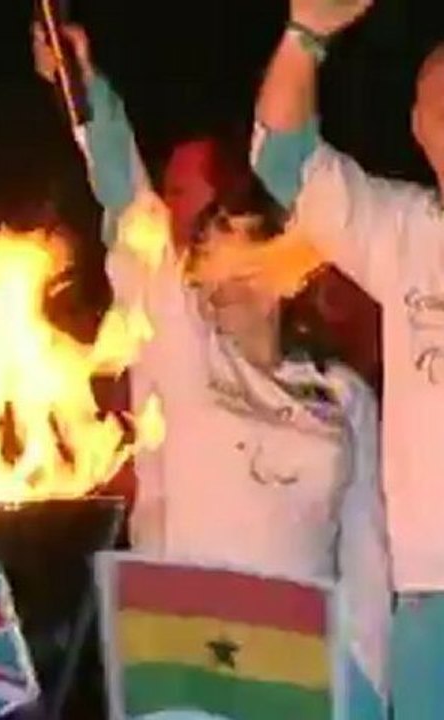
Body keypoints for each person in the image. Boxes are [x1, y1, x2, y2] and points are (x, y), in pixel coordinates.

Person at [34, 23, 391, 717]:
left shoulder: (342, 395)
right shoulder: (185, 363)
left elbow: (368, 561)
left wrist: (369, 693)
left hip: (302, 674)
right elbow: (130, 208)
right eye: (204, 264)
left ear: (285, 269)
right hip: (189, 667)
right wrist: (87, 93)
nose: (216, 282)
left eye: (238, 260)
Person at [251, 1, 444, 715]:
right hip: (431, 598)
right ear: (420, 130)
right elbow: (281, 158)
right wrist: (306, 36)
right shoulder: (404, 233)